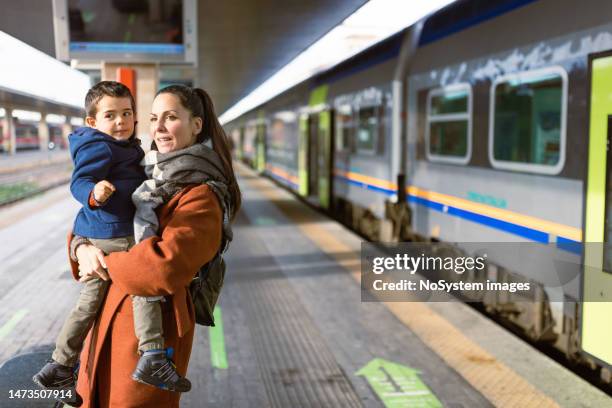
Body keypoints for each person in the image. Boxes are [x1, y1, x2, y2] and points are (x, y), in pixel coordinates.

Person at [67, 84, 240, 407]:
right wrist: (81, 247)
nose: (158, 127)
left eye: (171, 117)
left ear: (196, 125)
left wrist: (103, 257)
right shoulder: (148, 177)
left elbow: (160, 268)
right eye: (153, 117)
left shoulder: (201, 196)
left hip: (149, 339)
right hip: (109, 322)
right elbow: (98, 223)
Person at [33, 81, 192, 405]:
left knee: (87, 302)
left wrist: (83, 245)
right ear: (92, 122)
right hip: (116, 234)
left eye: (127, 113)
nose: (121, 121)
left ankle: (60, 363)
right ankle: (153, 355)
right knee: (143, 284)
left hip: (107, 233)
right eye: (111, 115)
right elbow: (80, 181)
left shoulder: (127, 148)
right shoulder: (101, 146)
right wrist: (93, 195)